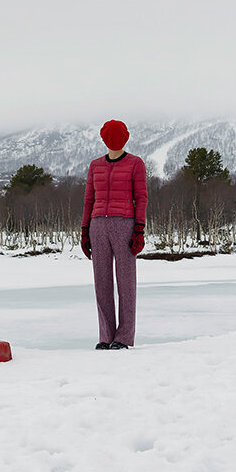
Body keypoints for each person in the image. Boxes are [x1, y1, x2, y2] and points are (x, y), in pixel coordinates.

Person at [81, 119, 147, 349]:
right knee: (102, 282)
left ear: (125, 138)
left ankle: (123, 337)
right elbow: (89, 199)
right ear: (103, 138)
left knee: (126, 282)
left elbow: (141, 197)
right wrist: (84, 231)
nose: (113, 140)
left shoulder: (135, 163)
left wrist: (139, 228)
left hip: (125, 224)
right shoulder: (95, 165)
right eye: (110, 136)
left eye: (117, 136)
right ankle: (105, 336)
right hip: (97, 224)